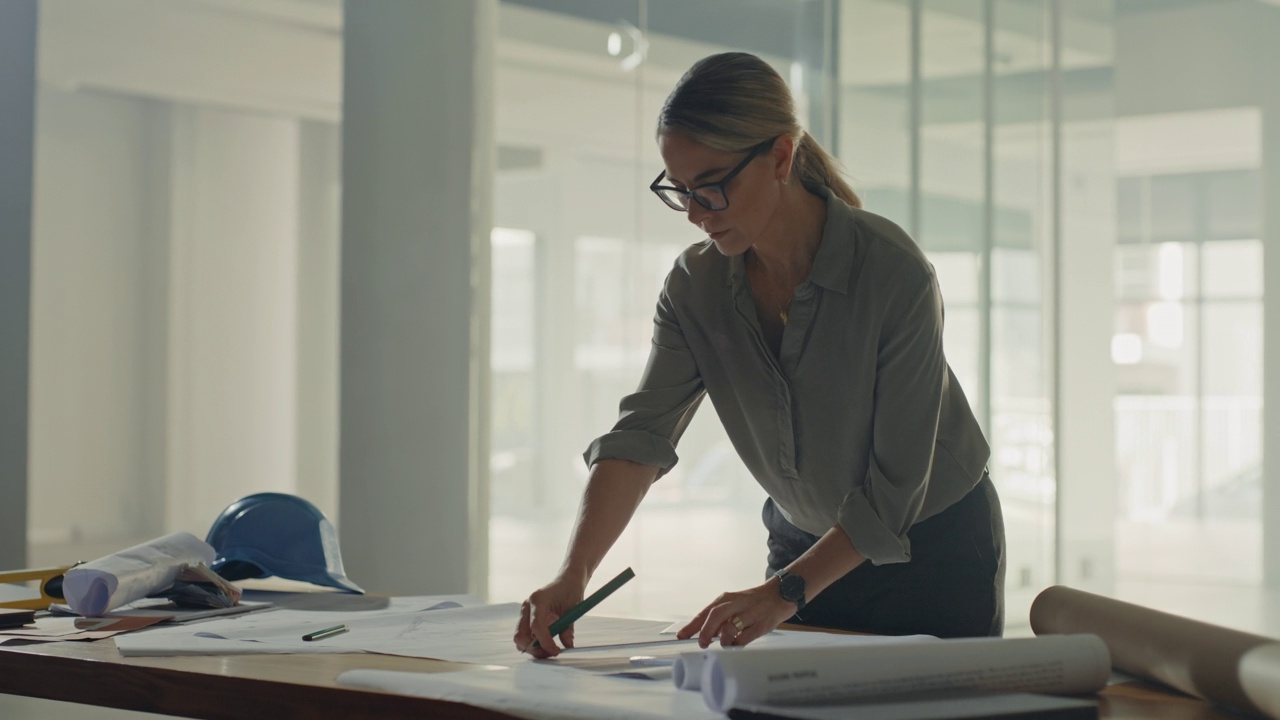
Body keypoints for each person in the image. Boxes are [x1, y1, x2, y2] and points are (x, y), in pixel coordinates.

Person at [512, 51, 1004, 658]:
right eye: (681, 190)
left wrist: (782, 592)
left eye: (713, 186)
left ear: (780, 156)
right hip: (801, 549)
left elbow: (893, 493)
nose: (694, 214)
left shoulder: (892, 273)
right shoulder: (695, 286)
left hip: (932, 552)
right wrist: (574, 573)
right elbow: (639, 438)